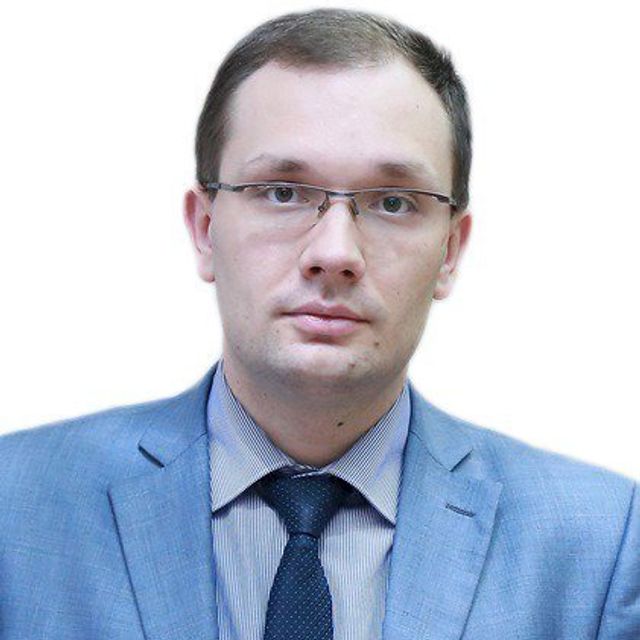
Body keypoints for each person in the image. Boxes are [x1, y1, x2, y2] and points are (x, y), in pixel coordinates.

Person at [0, 7, 637, 640]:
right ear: (204, 229)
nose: (335, 253)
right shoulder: (15, 506)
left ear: (450, 251)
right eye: (283, 191)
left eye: (394, 202)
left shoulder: (602, 543)